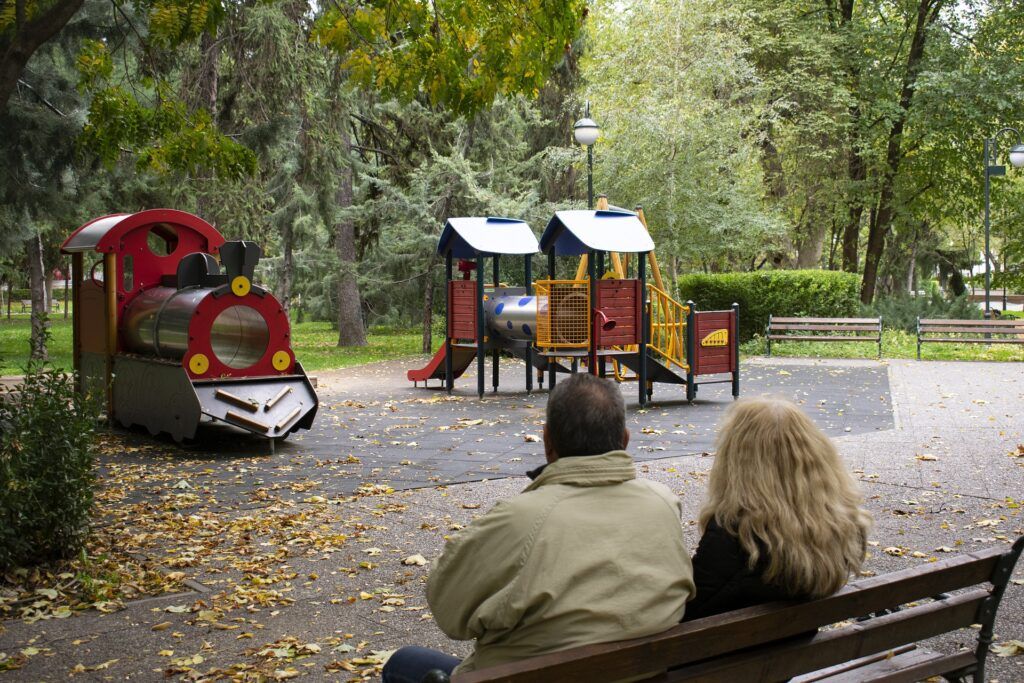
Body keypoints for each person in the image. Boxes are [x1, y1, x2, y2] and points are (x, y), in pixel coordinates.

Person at [382, 374, 696, 683]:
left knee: (402, 662)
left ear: (547, 441)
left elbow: (448, 611)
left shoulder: (520, 520)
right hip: (639, 673)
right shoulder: (663, 503)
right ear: (625, 440)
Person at [684, 397, 872, 621]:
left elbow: (691, 610)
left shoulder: (735, 533)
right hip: (800, 646)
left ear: (737, 461)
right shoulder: (841, 523)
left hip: (737, 653)